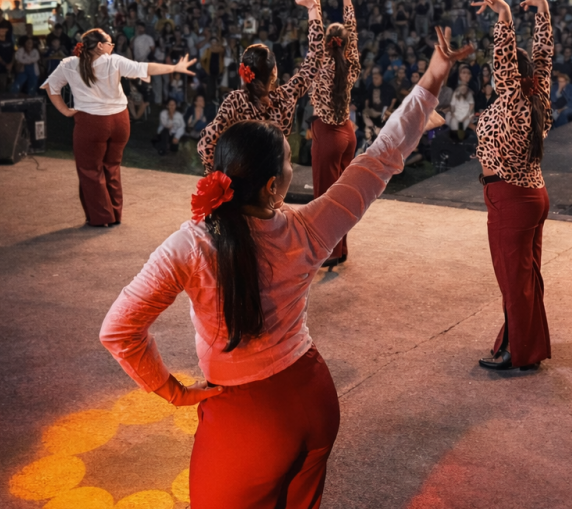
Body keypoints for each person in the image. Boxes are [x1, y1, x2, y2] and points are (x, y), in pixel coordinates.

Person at [99, 26, 471, 507]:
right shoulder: (309, 228)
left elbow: (119, 332)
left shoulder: (188, 246)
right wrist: (434, 75)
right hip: (314, 399)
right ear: (274, 184)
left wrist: (170, 391)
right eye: (292, 164)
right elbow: (381, 158)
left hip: (246, 422)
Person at [470, 0, 553, 371]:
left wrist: (504, 14)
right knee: (525, 280)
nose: (494, 72)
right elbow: (543, 59)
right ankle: (526, 345)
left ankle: (517, 352)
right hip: (532, 196)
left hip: (511, 201)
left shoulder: (514, 98)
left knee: (513, 283)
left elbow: (506, 60)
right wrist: (544, 13)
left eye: (499, 70)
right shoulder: (538, 95)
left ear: (508, 76)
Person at [42, 28, 195, 226]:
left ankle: (100, 217)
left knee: (90, 170)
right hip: (120, 122)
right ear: (100, 45)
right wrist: (173, 68)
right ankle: (115, 215)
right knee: (112, 167)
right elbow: (145, 68)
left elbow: (50, 87)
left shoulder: (70, 64)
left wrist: (65, 110)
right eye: (110, 44)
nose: (111, 47)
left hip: (91, 122)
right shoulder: (114, 61)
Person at [198, 0, 329, 173]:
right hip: (272, 183)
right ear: (274, 72)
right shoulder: (285, 98)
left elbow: (207, 142)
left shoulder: (235, 101)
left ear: (245, 71)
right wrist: (312, 8)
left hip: (241, 184)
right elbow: (315, 58)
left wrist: (217, 174)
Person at [310, 0, 362, 267]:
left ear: (326, 43)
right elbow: (351, 29)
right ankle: (340, 248)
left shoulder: (321, 61)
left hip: (328, 135)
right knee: (340, 196)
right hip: (347, 132)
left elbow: (314, 27)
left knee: (324, 199)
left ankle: (330, 252)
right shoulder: (350, 60)